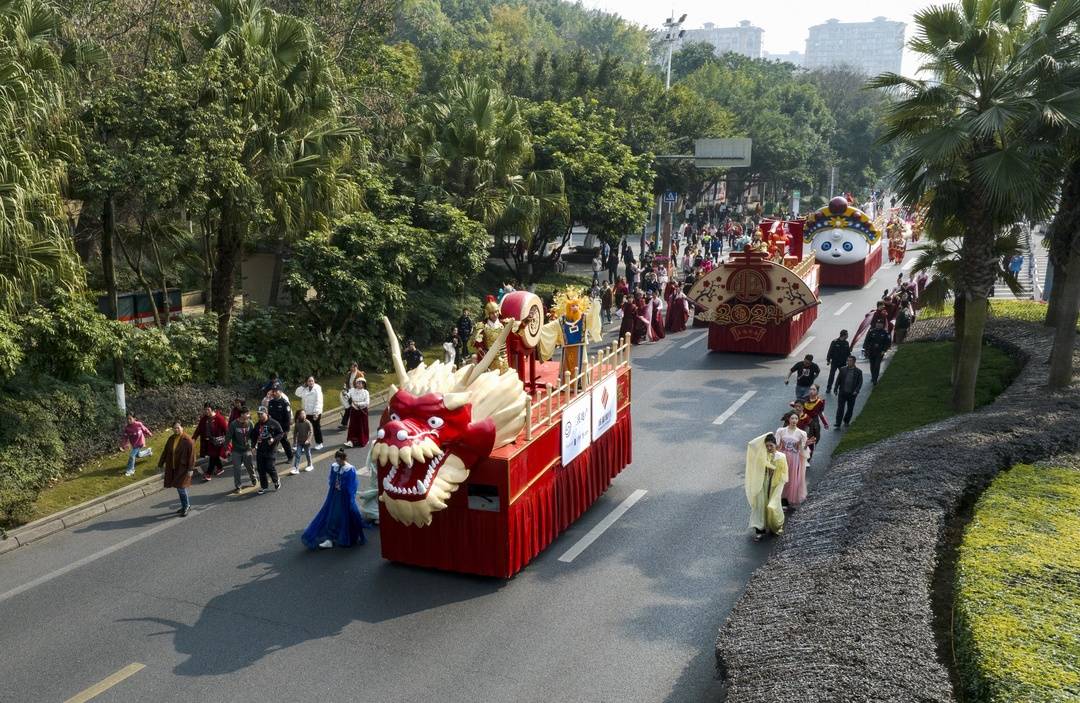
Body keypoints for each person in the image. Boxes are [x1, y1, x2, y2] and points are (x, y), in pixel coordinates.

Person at [301, 449, 366, 549]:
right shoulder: (334, 466)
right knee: (332, 515)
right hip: (335, 495)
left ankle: (351, 535)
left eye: (339, 460)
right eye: (337, 460)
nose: (338, 462)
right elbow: (331, 479)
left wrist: (346, 492)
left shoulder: (350, 469)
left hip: (346, 497)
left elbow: (352, 485)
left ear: (344, 459)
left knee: (350, 515)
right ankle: (330, 538)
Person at [745, 433, 788, 542]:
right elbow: (751, 444)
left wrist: (778, 484)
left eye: (771, 446)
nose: (769, 448)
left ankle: (775, 526)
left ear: (776, 445)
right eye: (767, 446)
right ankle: (760, 530)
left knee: (773, 506)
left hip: (775, 485)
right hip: (762, 485)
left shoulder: (781, 457)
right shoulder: (762, 456)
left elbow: (784, 473)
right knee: (760, 507)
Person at [158, 420, 195, 516]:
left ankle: (186, 506)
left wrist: (191, 469)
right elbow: (165, 451)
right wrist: (160, 463)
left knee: (181, 488)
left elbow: (192, 456)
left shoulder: (187, 440)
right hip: (174, 467)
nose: (176, 429)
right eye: (174, 428)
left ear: (182, 428)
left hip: (183, 468)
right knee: (180, 488)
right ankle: (185, 505)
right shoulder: (171, 439)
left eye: (178, 427)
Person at [775, 411, 808, 509]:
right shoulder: (781, 431)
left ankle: (789, 499)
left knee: (792, 479)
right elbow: (777, 446)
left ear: (798, 420)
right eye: (792, 418)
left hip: (794, 459)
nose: (794, 420)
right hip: (783, 457)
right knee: (782, 478)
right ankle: (781, 499)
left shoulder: (802, 433)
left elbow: (803, 450)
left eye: (796, 418)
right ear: (788, 419)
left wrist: (805, 445)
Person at [791, 385, 828, 463]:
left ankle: (808, 458)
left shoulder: (820, 402)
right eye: (810, 389)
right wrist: (793, 405)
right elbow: (798, 405)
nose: (811, 391)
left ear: (817, 391)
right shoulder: (805, 399)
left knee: (811, 441)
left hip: (813, 423)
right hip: (803, 421)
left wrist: (825, 423)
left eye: (814, 389)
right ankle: (797, 456)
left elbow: (821, 413)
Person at [251, 406, 283, 494]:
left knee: (269, 466)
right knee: (261, 469)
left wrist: (273, 439)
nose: (259, 416)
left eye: (261, 414)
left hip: (271, 449)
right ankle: (264, 486)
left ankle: (276, 480)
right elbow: (254, 436)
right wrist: (253, 446)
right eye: (258, 414)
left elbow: (281, 433)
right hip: (261, 449)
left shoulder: (273, 423)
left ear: (266, 413)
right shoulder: (257, 425)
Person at [192, 403, 228, 482]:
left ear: (212, 409)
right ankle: (220, 468)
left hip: (218, 442)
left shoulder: (219, 418)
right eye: (205, 409)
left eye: (208, 409)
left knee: (213, 457)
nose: (206, 411)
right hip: (208, 442)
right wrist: (194, 438)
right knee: (214, 456)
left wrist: (228, 442)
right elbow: (199, 429)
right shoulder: (204, 419)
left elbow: (226, 430)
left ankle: (208, 474)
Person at [227, 407, 257, 492]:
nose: (249, 415)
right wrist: (227, 449)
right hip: (236, 451)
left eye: (249, 413)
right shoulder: (233, 424)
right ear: (242, 414)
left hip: (247, 449)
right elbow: (228, 437)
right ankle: (238, 486)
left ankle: (253, 478)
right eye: (247, 413)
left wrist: (254, 446)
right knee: (237, 469)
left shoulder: (250, 423)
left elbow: (253, 436)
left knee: (249, 467)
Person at [294, 376, 325, 449]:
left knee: (316, 428)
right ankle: (303, 444)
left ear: (314, 381)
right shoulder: (305, 389)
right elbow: (297, 393)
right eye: (309, 381)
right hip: (306, 413)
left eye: (312, 381)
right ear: (306, 382)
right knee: (304, 429)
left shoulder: (317, 389)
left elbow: (319, 401)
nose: (311, 382)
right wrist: (302, 386)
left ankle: (319, 443)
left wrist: (316, 412)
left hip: (315, 413)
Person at [833, 355, 864, 429]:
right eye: (848, 360)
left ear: (854, 362)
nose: (848, 362)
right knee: (840, 408)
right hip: (842, 392)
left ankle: (846, 420)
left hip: (852, 394)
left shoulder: (858, 372)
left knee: (850, 408)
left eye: (850, 361)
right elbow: (838, 380)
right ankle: (838, 422)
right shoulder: (842, 369)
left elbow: (860, 382)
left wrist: (856, 391)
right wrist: (835, 388)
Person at [267, 387, 294, 463]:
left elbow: (288, 418)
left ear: (280, 392)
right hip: (273, 427)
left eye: (276, 391)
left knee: (284, 442)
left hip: (282, 428)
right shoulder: (271, 402)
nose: (274, 393)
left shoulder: (285, 403)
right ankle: (271, 460)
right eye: (273, 391)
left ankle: (290, 457)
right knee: (272, 443)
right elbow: (269, 415)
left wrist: (286, 430)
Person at [120, 412, 152, 477]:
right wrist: (124, 444)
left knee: (132, 456)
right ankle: (148, 451)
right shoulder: (127, 428)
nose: (128, 420)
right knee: (138, 455)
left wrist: (149, 433)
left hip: (140, 442)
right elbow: (125, 437)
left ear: (134, 418)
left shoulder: (138, 424)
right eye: (127, 419)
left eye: (130, 419)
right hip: (134, 444)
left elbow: (144, 429)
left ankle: (130, 470)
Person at [863, 320, 892, 384]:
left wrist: (884, 350)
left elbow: (888, 343)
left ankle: (875, 379)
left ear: (882, 325)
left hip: (880, 352)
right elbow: (866, 341)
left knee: (877, 365)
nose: (878, 325)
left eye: (880, 324)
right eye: (877, 323)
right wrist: (866, 350)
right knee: (872, 365)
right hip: (871, 351)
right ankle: (873, 376)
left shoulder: (885, 333)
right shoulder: (871, 331)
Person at [345, 377, 370, 448]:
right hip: (354, 411)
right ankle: (351, 441)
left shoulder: (366, 392)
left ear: (363, 384)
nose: (358, 384)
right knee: (352, 426)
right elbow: (348, 395)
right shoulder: (352, 390)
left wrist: (358, 404)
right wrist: (345, 394)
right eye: (357, 383)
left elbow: (367, 402)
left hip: (362, 411)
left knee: (362, 426)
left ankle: (363, 439)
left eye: (360, 383)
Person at [338, 363, 363, 431]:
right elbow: (346, 382)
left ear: (356, 367)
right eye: (351, 367)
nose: (351, 369)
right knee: (348, 408)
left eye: (353, 367)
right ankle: (344, 424)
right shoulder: (349, 373)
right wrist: (344, 387)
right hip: (349, 392)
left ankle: (358, 424)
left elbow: (362, 385)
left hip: (356, 394)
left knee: (355, 409)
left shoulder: (360, 374)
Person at [290, 409, 315, 475]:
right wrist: (294, 443)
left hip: (306, 442)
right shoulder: (297, 423)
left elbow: (311, 432)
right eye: (301, 414)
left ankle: (310, 465)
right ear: (298, 416)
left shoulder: (308, 422)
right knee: (298, 454)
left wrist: (308, 440)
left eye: (304, 414)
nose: (303, 415)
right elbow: (295, 433)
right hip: (299, 442)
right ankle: (296, 468)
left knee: (307, 454)